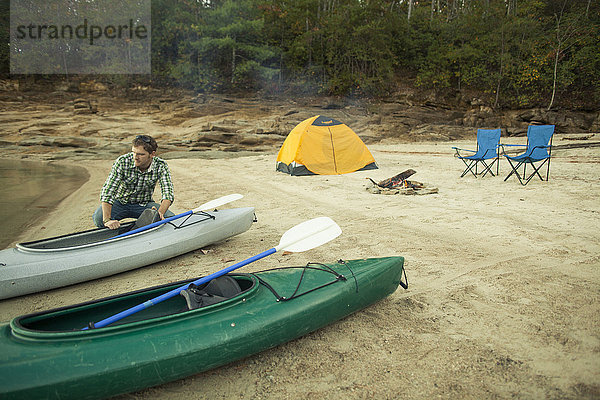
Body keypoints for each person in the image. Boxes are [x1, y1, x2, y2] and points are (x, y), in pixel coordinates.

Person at [93, 135, 175, 229]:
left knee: (169, 218)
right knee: (99, 219)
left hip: (144, 205)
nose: (136, 157)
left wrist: (159, 214)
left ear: (152, 154)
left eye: (141, 154)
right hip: (121, 203)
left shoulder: (161, 165)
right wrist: (107, 220)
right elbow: (108, 191)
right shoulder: (122, 161)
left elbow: (168, 194)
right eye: (134, 152)